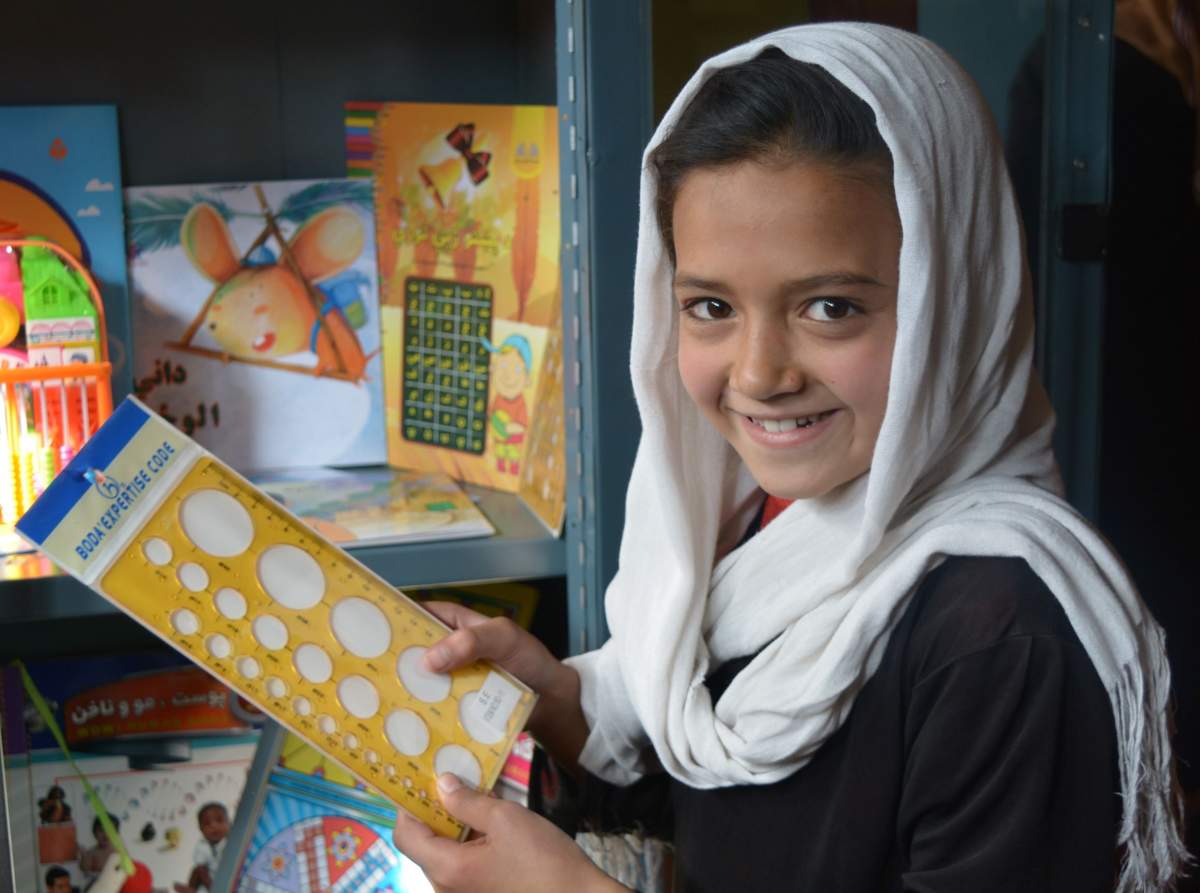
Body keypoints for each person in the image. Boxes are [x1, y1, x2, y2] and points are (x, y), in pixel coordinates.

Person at [392, 23, 1190, 892]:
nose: (760, 374)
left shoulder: (1002, 635)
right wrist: (560, 702)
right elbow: (742, 815)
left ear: (954, 301)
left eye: (832, 307)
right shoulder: (756, 526)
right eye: (708, 307)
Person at [173, 802, 229, 893]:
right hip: (211, 880)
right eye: (207, 824)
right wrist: (212, 888)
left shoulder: (233, 841)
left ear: (229, 823)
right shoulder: (202, 846)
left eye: (219, 820)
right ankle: (192, 889)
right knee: (197, 871)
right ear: (201, 830)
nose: (213, 826)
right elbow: (201, 871)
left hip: (229, 877)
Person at [79, 815, 120, 885]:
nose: (106, 834)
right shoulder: (91, 853)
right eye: (101, 830)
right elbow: (85, 872)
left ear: (116, 834)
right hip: (97, 886)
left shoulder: (118, 852)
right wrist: (84, 857)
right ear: (94, 833)